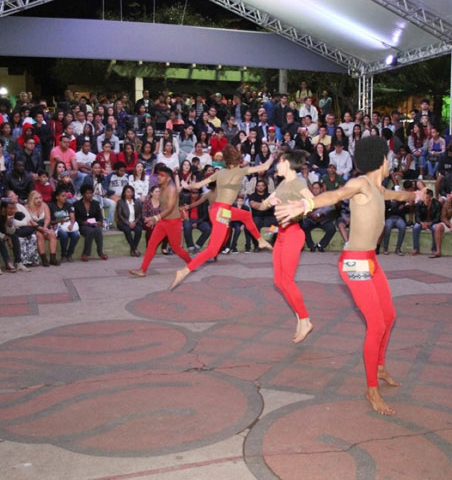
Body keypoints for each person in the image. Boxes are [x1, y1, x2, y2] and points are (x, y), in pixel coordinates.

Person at [275, 135, 420, 415]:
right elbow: (336, 195)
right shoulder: (361, 184)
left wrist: (415, 195)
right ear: (380, 160)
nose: (391, 162)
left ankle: (379, 367)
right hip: (354, 263)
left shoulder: (379, 188)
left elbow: (397, 195)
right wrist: (305, 205)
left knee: (389, 317)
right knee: (376, 325)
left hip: (370, 262)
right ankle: (371, 389)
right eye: (388, 157)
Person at [170, 146, 274, 289]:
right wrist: (273, 156)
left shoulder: (219, 173)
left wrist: (186, 185)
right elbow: (266, 166)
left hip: (219, 210)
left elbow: (198, 185)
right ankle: (184, 271)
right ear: (236, 160)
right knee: (212, 250)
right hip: (221, 212)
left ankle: (260, 240)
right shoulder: (240, 171)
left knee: (246, 214)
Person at [255, 149, 315, 342]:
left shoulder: (297, 182)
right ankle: (300, 317)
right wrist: (268, 201)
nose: (276, 167)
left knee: (287, 280)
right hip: (280, 235)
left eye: (278, 163)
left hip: (293, 234)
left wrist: (300, 209)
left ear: (287, 163)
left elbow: (312, 200)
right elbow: (262, 206)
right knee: (279, 282)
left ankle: (305, 319)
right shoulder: (281, 184)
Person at [130, 166, 191, 277]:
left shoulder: (171, 189)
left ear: (168, 178)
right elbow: (160, 207)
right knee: (152, 245)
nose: (159, 177)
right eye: (158, 174)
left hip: (173, 222)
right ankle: (143, 270)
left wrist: (155, 218)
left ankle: (192, 264)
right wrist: (152, 219)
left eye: (162, 175)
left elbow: (170, 208)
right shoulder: (160, 188)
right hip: (163, 222)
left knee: (177, 248)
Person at [74, 184, 107, 261]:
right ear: (83, 194)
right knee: (90, 231)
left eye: (91, 193)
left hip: (94, 224)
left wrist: (100, 222)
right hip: (82, 225)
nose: (90, 195)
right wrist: (83, 222)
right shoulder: (77, 204)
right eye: (87, 193)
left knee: (98, 231)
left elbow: (100, 216)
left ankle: (100, 252)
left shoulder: (95, 203)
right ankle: (85, 253)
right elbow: (75, 218)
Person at [301, 182, 336, 252]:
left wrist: (319, 214)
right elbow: (305, 209)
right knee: (304, 226)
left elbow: (327, 208)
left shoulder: (325, 197)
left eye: (317, 188)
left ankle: (321, 245)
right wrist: (310, 213)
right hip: (311, 219)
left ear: (321, 189)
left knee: (332, 229)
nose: (315, 190)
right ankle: (311, 245)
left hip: (323, 219)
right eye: (313, 188)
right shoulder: (308, 198)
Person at [412, 188, 441, 255]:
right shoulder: (419, 203)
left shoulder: (437, 204)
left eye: (427, 197)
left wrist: (430, 223)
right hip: (422, 221)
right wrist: (421, 223)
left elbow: (438, 218)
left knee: (435, 228)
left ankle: (434, 249)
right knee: (416, 227)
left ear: (431, 197)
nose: (424, 199)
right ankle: (416, 248)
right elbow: (417, 216)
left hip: (432, 222)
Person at [116, 185, 143, 256]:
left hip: (135, 222)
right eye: (128, 192)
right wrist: (128, 223)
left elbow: (140, 214)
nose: (130, 193)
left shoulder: (137, 202)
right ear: (124, 193)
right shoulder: (121, 202)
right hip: (123, 222)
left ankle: (132, 249)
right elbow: (120, 215)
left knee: (139, 230)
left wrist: (134, 222)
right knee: (127, 230)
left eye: (131, 192)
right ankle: (135, 249)